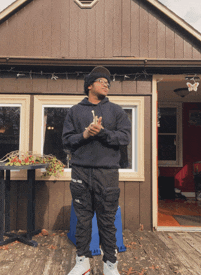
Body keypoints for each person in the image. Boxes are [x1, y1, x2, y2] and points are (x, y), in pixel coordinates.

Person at [62, 66, 131, 275]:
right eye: (102, 81)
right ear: (89, 85)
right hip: (80, 172)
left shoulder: (116, 111)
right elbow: (66, 141)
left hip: (107, 174)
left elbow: (124, 138)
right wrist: (84, 134)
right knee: (82, 221)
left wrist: (102, 132)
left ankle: (110, 265)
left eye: (108, 83)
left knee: (107, 222)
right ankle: (82, 263)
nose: (106, 84)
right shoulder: (75, 111)